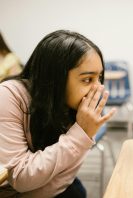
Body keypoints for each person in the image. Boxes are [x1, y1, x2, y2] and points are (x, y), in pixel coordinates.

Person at [0, 30, 116, 197]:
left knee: (77, 192)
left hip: (50, 182)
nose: (99, 88)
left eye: (99, 77)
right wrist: (81, 133)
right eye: (87, 79)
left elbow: (64, 179)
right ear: (55, 78)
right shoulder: (8, 96)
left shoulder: (72, 105)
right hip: (11, 191)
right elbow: (20, 178)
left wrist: (82, 132)